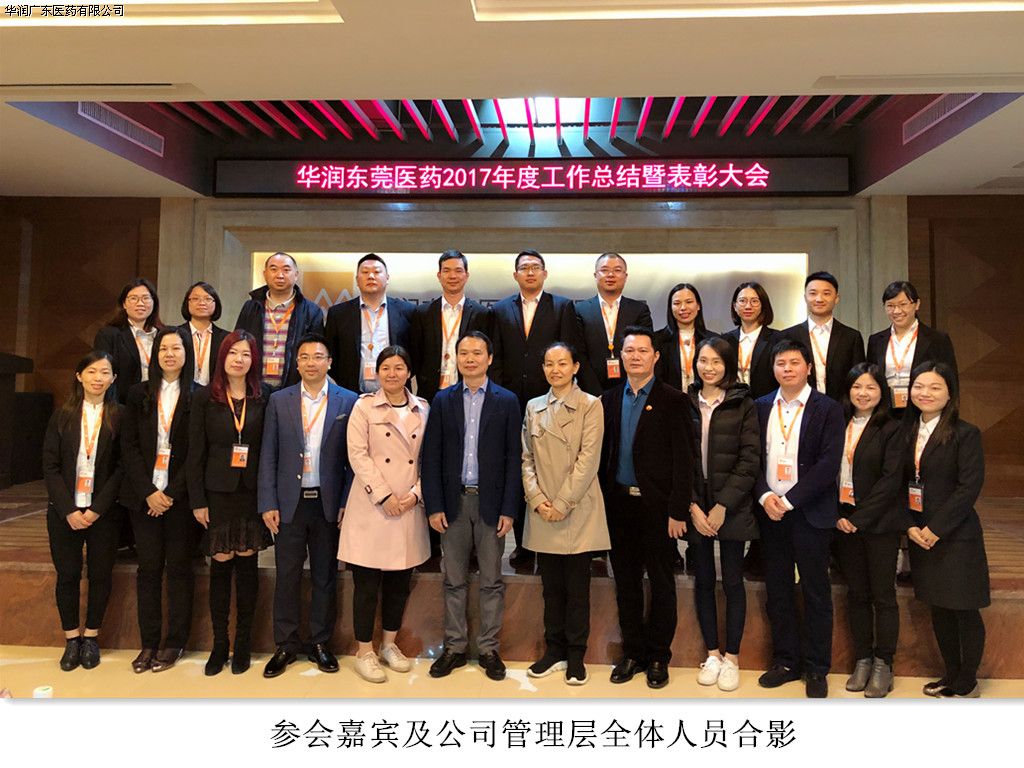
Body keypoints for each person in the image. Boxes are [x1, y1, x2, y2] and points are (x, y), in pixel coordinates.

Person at [421, 331, 521, 682]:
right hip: (453, 503)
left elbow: (514, 458)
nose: (470, 359)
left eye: (477, 353)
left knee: (492, 580)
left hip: (492, 504)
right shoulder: (443, 399)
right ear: (456, 358)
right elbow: (431, 457)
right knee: (454, 580)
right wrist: (434, 506)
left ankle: (489, 649)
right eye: (464, 353)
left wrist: (509, 508)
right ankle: (455, 648)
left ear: (489, 358)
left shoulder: (507, 400)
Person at [599, 326, 694, 689]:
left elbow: (684, 460)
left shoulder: (673, 400)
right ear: (620, 356)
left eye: (642, 350)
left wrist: (678, 511)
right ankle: (633, 653)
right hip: (618, 505)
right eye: (629, 351)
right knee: (626, 583)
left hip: (658, 508)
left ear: (655, 356)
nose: (635, 356)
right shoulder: (608, 399)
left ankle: (658, 656)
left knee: (661, 582)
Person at [260, 334, 358, 678]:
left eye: (318, 356)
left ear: (329, 362)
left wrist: (346, 501)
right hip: (289, 502)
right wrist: (268, 501)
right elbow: (268, 453)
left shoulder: (349, 400)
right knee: (286, 575)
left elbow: (354, 459)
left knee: (324, 576)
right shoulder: (279, 400)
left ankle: (319, 642)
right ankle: (285, 644)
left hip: (328, 503)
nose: (311, 363)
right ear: (297, 363)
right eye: (304, 357)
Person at [753, 339, 844, 698]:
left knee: (815, 591)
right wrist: (765, 496)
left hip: (810, 513)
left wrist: (789, 500)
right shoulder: (760, 406)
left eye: (794, 362)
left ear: (808, 367)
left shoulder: (828, 408)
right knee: (778, 591)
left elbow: (828, 464)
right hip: (770, 513)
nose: (787, 369)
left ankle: (817, 667)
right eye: (781, 363)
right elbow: (750, 458)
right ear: (773, 368)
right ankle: (786, 661)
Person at [490, 249, 587, 568]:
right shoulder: (500, 309)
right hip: (511, 403)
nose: (530, 272)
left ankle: (553, 537)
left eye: (535, 267)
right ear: (515, 274)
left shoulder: (562, 306)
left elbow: (569, 352)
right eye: (524, 268)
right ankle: (524, 544)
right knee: (520, 469)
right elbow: (496, 357)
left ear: (545, 273)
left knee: (549, 469)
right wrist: (501, 396)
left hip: (550, 402)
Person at [338, 345, 429, 683]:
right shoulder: (363, 407)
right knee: (366, 583)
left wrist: (415, 494)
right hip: (372, 506)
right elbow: (357, 455)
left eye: (399, 367)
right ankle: (364, 651)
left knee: (398, 582)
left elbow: (430, 458)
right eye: (386, 367)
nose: (392, 373)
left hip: (407, 506)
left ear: (409, 372)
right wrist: (384, 495)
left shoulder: (423, 408)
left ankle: (389, 644)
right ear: (377, 373)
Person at [521, 342, 609, 685]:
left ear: (575, 367)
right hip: (543, 509)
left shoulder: (590, 405)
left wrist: (561, 503)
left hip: (577, 508)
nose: (555, 369)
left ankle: (576, 656)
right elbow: (526, 458)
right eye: (549, 363)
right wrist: (537, 498)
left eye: (562, 363)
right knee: (551, 588)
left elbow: (589, 460)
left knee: (577, 588)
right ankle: (553, 650)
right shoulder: (533, 406)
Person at [187, 330, 272, 676]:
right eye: (233, 353)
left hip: (251, 493)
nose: (239, 359)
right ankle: (220, 643)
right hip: (217, 493)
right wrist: (197, 500)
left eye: (246, 354)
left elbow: (270, 449)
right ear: (222, 357)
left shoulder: (264, 395)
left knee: (248, 569)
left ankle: (244, 642)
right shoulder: (205, 397)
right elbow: (195, 452)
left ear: (254, 360)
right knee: (221, 568)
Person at [903, 362, 988, 698]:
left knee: (963, 608)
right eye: (919, 386)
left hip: (955, 536)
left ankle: (967, 679)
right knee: (938, 607)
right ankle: (950, 672)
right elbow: (897, 483)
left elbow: (969, 488)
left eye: (935, 387)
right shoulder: (906, 431)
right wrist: (910, 526)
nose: (925, 393)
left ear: (950, 393)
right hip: (919, 535)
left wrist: (935, 529)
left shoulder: (966, 433)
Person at [686, 337, 760, 692]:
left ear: (728, 365)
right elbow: (680, 458)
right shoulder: (686, 401)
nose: (709, 367)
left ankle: (732, 657)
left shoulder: (743, 403)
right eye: (703, 360)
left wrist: (722, 506)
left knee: (732, 581)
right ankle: (712, 654)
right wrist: (693, 506)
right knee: (702, 580)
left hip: (732, 505)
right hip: (696, 507)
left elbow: (750, 460)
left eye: (716, 361)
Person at [42, 351, 124, 671]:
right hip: (65, 511)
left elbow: (122, 467)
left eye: (104, 372)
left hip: (103, 512)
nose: (98, 378)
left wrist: (97, 509)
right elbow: (50, 466)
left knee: (101, 574)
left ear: (113, 379)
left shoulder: (120, 415)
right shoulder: (62, 415)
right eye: (91, 371)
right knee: (68, 575)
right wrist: (68, 510)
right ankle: (71, 639)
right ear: (79, 376)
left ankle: (91, 637)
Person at [120, 329, 194, 673]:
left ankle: (175, 642)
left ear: (186, 353)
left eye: (176, 348)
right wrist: (149, 491)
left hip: (180, 499)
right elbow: (129, 447)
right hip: (144, 499)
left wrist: (171, 493)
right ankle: (148, 642)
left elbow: (197, 452)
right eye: (163, 348)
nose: (169, 354)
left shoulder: (199, 394)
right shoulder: (138, 394)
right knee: (148, 570)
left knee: (179, 569)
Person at [833, 363, 905, 698]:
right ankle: (862, 658)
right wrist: (838, 514)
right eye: (857, 387)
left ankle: (883, 663)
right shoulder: (838, 423)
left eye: (871, 387)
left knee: (883, 596)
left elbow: (891, 481)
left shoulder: (892, 428)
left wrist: (859, 517)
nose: (863, 393)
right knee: (857, 594)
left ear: (881, 392)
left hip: (878, 524)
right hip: (842, 521)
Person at [324, 253, 415, 394]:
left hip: (395, 395)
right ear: (357, 280)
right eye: (365, 272)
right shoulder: (338, 314)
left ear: (387, 278)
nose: (371, 276)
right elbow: (330, 356)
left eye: (377, 272)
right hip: (351, 395)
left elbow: (416, 355)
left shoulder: (408, 311)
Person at [409, 250, 491, 403]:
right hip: (430, 393)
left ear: (466, 275)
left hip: (469, 391)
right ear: (439, 275)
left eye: (458, 271)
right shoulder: (423, 313)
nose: (452, 276)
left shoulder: (481, 314)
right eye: (446, 271)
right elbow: (416, 354)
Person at [234, 252, 324, 391]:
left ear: (296, 275)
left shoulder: (311, 311)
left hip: (294, 389)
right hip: (253, 388)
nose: (280, 275)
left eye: (286, 270)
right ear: (265, 274)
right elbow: (237, 345)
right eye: (274, 269)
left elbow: (317, 353)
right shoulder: (251, 307)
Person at [867, 280, 958, 414]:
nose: (897, 311)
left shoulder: (937, 339)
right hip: (886, 411)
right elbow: (871, 379)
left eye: (903, 304)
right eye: (890, 305)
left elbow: (950, 380)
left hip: (923, 408)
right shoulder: (876, 340)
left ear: (917, 304)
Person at [575, 252, 653, 395]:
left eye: (617, 270)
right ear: (595, 275)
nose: (610, 275)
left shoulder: (639, 310)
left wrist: (631, 389)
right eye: (604, 270)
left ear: (625, 276)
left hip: (631, 389)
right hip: (590, 392)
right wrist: (595, 392)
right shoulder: (580, 309)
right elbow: (579, 354)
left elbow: (644, 351)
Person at [781, 271, 865, 401]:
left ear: (836, 298)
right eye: (813, 293)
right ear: (805, 297)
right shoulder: (788, 335)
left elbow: (859, 378)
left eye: (826, 293)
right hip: (800, 405)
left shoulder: (851, 337)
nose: (819, 299)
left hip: (841, 406)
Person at [94, 277, 165, 403]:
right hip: (123, 404)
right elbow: (102, 372)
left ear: (154, 302)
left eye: (146, 298)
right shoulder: (109, 335)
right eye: (133, 298)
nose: (140, 303)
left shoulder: (164, 335)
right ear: (124, 304)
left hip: (160, 402)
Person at [722, 281, 781, 400]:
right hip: (732, 404)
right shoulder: (725, 340)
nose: (748, 306)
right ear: (735, 306)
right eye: (742, 301)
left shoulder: (777, 339)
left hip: (766, 403)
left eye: (754, 301)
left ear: (763, 305)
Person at [656, 282, 718, 393]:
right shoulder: (658, 340)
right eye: (677, 303)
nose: (683, 308)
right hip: (670, 400)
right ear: (670, 308)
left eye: (689, 302)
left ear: (698, 305)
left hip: (705, 400)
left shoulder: (713, 340)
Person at [178, 281, 231, 389]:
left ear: (216, 304)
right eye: (195, 298)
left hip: (214, 394)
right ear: (187, 303)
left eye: (207, 299)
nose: (202, 303)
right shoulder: (175, 335)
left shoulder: (226, 338)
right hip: (181, 392)